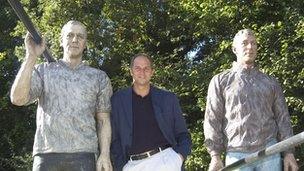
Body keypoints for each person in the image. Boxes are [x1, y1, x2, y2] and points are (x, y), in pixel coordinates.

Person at [10, 20, 113, 171]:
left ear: (85, 44)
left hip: (84, 155)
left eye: (80, 36)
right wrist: (31, 57)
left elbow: (103, 120)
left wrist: (105, 154)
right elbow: (17, 99)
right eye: (70, 35)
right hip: (46, 155)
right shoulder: (43, 71)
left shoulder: (98, 77)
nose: (75, 40)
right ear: (61, 41)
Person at [204, 29, 298, 171]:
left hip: (270, 152)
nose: (250, 47)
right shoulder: (220, 81)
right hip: (236, 155)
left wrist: (289, 152)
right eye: (245, 43)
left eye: (253, 43)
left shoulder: (270, 82)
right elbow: (212, 120)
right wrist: (215, 155)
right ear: (234, 49)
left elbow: (283, 119)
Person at [110, 53, 191, 171]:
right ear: (131, 71)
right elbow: (114, 139)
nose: (142, 72)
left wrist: (179, 157)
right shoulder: (118, 100)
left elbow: (183, 133)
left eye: (146, 68)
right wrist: (122, 167)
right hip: (133, 166)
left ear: (152, 72)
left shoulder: (168, 98)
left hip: (166, 161)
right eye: (137, 68)